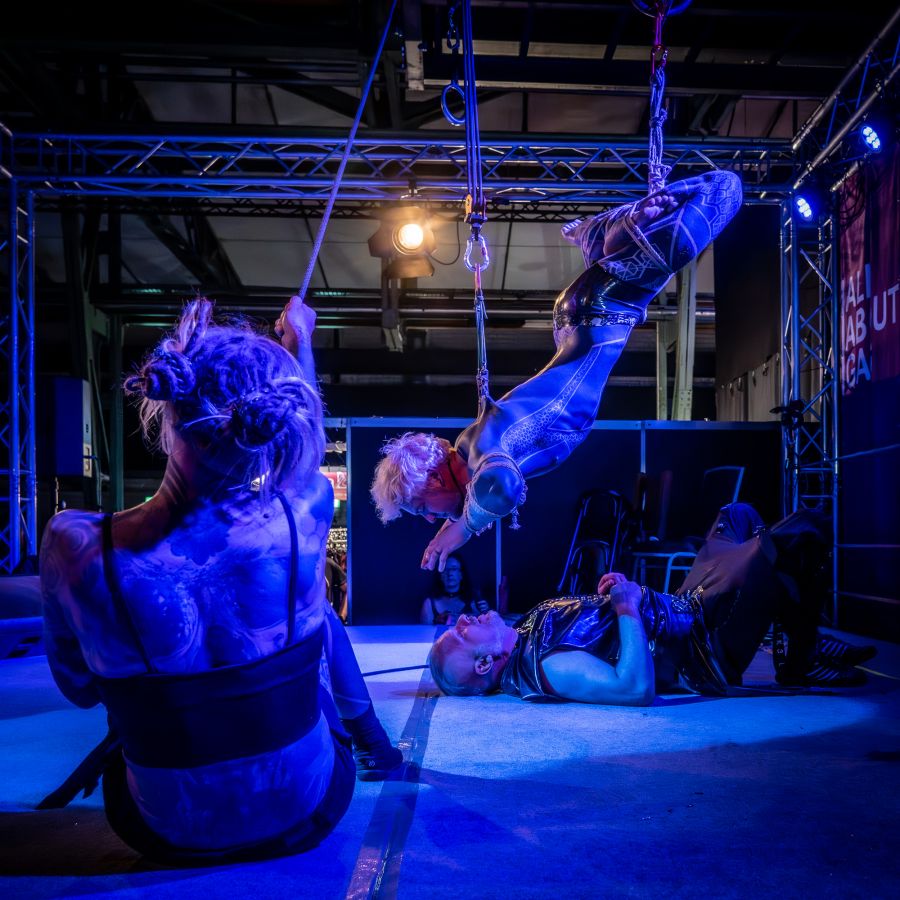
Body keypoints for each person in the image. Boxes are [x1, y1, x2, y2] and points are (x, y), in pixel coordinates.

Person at [38, 295, 401, 866]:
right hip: (307, 811)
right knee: (312, 611)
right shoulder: (302, 514)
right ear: (273, 424)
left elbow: (79, 689)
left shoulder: (76, 545)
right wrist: (301, 343)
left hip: (161, 832)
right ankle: (373, 742)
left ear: (168, 407)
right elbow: (303, 459)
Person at [370, 170, 744, 572]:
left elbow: (504, 487)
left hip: (602, 311)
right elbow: (488, 487)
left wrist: (463, 527)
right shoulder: (472, 449)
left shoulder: (482, 452)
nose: (431, 519)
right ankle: (608, 236)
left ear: (435, 480)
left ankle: (619, 229)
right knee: (675, 230)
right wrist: (459, 520)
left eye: (422, 508)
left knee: (727, 190)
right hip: (581, 316)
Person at [428, 503, 875, 703]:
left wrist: (617, 593)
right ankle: (801, 661)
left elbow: (599, 628)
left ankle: (800, 642)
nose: (463, 618)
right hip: (705, 646)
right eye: (461, 632)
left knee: (737, 516)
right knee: (804, 529)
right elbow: (633, 688)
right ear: (484, 663)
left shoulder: (525, 634)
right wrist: (625, 607)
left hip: (684, 607)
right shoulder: (548, 666)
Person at [419, 551, 489, 625]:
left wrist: (486, 614)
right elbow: (424, 631)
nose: (450, 573)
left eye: (454, 569)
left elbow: (485, 628)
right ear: (440, 575)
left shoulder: (474, 601)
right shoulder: (430, 604)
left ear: (461, 574)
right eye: (444, 569)